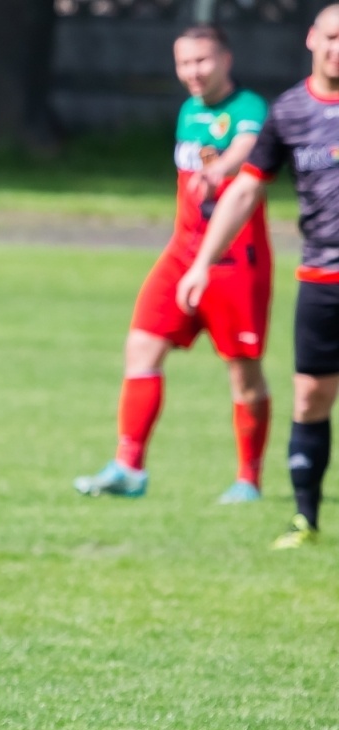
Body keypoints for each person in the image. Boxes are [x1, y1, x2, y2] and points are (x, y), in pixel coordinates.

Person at [75, 25, 273, 503]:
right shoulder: (188, 111)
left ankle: (248, 479)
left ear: (226, 58)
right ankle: (129, 467)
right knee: (140, 346)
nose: (193, 72)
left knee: (243, 373)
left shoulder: (249, 109)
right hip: (181, 253)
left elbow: (248, 146)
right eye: (184, 63)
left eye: (202, 61)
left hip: (235, 261)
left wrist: (222, 168)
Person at [178, 5, 339, 548]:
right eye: (333, 36)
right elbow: (246, 189)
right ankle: (305, 520)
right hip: (322, 277)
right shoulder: (291, 111)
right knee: (310, 397)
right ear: (311, 38)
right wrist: (202, 261)